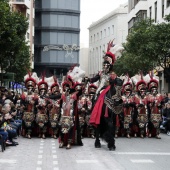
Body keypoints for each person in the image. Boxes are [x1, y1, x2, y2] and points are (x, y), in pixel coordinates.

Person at [145, 72, 163, 139]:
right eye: (153, 89)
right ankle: (150, 133)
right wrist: (151, 104)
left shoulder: (160, 95)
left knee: (158, 123)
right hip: (151, 111)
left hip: (158, 111)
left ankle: (157, 134)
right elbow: (147, 104)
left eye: (155, 89)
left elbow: (162, 103)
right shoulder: (149, 96)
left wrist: (160, 105)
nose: (154, 90)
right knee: (150, 123)